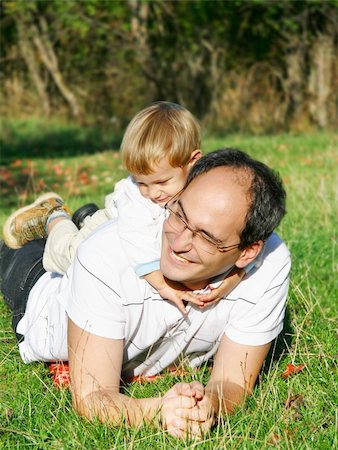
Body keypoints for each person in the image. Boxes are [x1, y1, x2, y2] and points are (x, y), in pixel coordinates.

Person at [0, 149, 291, 438]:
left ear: (249, 252)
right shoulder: (105, 256)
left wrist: (208, 405)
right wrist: (160, 410)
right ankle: (58, 218)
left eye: (205, 237)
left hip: (98, 265)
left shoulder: (269, 262)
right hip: (41, 296)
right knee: (15, 249)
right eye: (179, 214)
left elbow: (233, 382)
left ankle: (86, 219)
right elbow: (92, 396)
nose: (178, 242)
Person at [2, 102, 244, 315]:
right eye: (141, 182)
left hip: (122, 219)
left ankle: (84, 217)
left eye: (161, 182)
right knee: (69, 257)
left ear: (193, 161)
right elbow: (137, 238)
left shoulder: (206, 183)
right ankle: (54, 215)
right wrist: (162, 285)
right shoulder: (137, 200)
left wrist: (234, 276)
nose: (152, 192)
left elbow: (241, 224)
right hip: (116, 221)